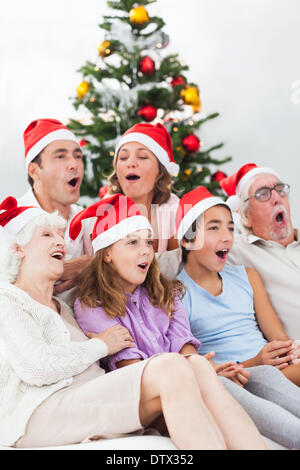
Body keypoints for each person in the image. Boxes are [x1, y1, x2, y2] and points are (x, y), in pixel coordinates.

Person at [0, 196, 266, 450]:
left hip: (89, 400)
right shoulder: (8, 299)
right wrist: (100, 346)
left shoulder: (63, 309)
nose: (59, 241)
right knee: (172, 366)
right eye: (47, 235)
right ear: (17, 248)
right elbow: (37, 368)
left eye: (60, 235)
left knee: (196, 363)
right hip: (39, 412)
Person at [173, 186, 300, 449]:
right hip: (235, 377)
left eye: (231, 228)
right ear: (187, 240)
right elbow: (196, 367)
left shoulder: (247, 276)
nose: (227, 237)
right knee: (262, 376)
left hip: (278, 369)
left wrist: (285, 351)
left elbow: (281, 341)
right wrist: (256, 361)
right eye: (215, 228)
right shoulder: (174, 293)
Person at [219, 163, 300, 340]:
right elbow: (186, 254)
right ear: (245, 217)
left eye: (280, 189)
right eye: (263, 194)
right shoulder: (236, 251)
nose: (276, 198)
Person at [18, 118, 94, 303]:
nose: (74, 165)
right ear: (34, 171)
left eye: (77, 156)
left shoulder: (90, 221)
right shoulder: (10, 224)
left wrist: (91, 265)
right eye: (60, 156)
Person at [108, 122, 180, 252]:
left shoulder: (175, 209)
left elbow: (182, 263)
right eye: (123, 158)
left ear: (160, 170)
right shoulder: (104, 212)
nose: (130, 163)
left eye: (142, 157)